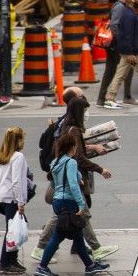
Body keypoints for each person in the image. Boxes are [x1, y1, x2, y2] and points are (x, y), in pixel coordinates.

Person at [31, 95, 117, 263]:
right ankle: (41, 249)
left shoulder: (66, 126)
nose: (86, 114)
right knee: (68, 215)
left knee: (78, 216)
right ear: (79, 111)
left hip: (63, 178)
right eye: (85, 111)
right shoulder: (74, 130)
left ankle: (94, 249)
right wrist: (100, 169)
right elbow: (78, 158)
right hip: (68, 182)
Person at [34, 129, 111, 276]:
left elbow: (56, 182)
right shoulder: (71, 162)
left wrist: (76, 178)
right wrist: (81, 204)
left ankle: (90, 265)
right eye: (76, 146)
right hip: (68, 202)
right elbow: (73, 184)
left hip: (58, 200)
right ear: (72, 147)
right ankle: (42, 266)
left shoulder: (55, 162)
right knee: (58, 235)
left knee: (77, 235)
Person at [0, 127, 28, 274]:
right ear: (18, 140)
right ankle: (5, 263)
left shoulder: (3, 155)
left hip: (2, 197)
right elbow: (16, 181)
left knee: (15, 227)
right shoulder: (18, 157)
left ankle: (12, 259)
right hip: (12, 198)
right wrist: (20, 202)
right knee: (12, 230)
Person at [96, 0, 134, 107]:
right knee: (128, 68)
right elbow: (114, 25)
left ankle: (101, 99)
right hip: (116, 45)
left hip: (112, 45)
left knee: (110, 71)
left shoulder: (119, 7)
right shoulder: (120, 7)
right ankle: (126, 97)